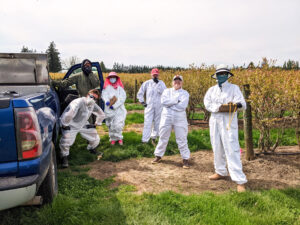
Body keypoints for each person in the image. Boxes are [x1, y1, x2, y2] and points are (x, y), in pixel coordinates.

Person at [203, 64, 247, 192]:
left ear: (228, 75)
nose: (222, 76)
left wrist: (235, 105)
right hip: (215, 119)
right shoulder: (211, 90)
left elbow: (242, 104)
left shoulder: (234, 88)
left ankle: (240, 180)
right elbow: (207, 103)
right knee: (216, 146)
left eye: (224, 74)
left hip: (228, 120)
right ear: (216, 76)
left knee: (232, 148)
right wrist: (218, 107)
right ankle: (220, 171)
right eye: (219, 74)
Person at [59, 89, 105, 168]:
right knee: (66, 140)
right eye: (91, 97)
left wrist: (97, 123)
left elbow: (101, 114)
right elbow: (69, 114)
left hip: (83, 124)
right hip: (71, 124)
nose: (92, 99)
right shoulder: (78, 102)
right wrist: (64, 124)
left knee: (94, 136)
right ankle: (64, 156)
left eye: (95, 98)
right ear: (87, 95)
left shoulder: (93, 105)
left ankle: (92, 148)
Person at [152, 75, 191, 169]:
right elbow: (163, 102)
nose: (177, 82)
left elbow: (182, 106)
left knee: (182, 138)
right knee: (163, 136)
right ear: (172, 82)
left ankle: (185, 159)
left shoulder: (185, 93)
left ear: (182, 82)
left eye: (179, 80)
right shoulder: (166, 91)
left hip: (180, 118)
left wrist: (170, 105)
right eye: (175, 80)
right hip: (166, 117)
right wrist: (176, 101)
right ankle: (158, 156)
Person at [137, 68, 166, 144]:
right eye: (154, 75)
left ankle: (154, 138)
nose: (155, 76)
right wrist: (142, 102)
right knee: (147, 122)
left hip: (159, 106)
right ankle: (145, 140)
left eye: (156, 74)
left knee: (157, 123)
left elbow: (165, 93)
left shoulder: (161, 83)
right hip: (149, 106)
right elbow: (140, 93)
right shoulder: (147, 83)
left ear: (158, 75)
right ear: (151, 75)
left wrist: (158, 85)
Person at [102, 72, 127, 145]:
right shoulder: (107, 87)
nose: (112, 79)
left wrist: (115, 105)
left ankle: (119, 138)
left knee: (118, 125)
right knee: (111, 125)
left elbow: (123, 98)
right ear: (109, 78)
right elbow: (104, 94)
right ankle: (112, 138)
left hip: (119, 109)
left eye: (114, 77)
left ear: (116, 78)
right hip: (109, 109)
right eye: (111, 77)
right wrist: (106, 101)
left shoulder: (120, 88)